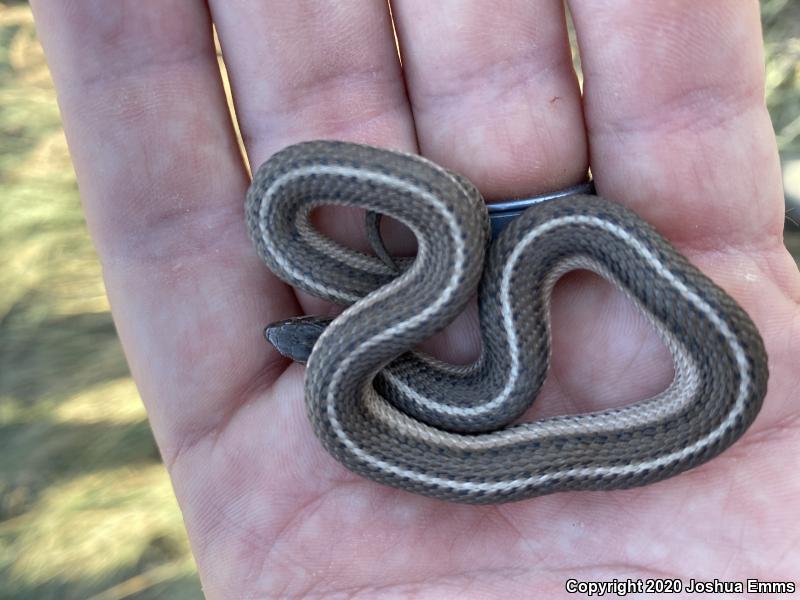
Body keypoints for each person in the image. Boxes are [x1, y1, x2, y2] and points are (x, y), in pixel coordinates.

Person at [31, 1, 799, 597]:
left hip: (617, 344)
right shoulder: (392, 396)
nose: (308, 342)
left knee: (534, 278)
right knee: (510, 340)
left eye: (318, 339)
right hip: (481, 323)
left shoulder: (390, 378)